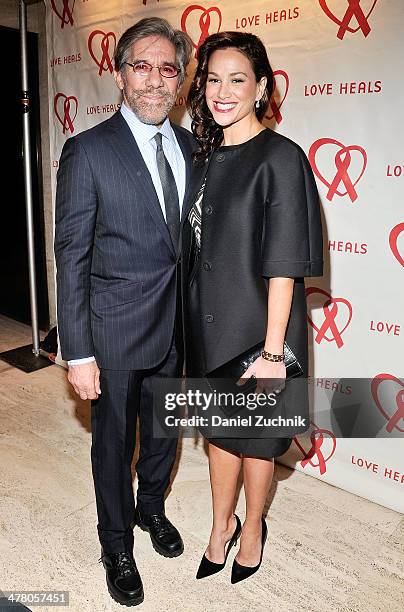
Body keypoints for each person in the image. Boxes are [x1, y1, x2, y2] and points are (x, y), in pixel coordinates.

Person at [54, 18, 194, 607]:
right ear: (119, 73)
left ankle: (151, 510)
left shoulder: (191, 146)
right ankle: (115, 543)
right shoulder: (88, 150)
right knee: (112, 445)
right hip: (111, 332)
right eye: (143, 65)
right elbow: (71, 255)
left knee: (163, 436)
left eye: (169, 69)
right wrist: (78, 350)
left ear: (181, 80)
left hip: (176, 327)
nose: (156, 80)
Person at [183, 31, 323, 584]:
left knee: (258, 444)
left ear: (261, 87)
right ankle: (220, 526)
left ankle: (254, 529)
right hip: (209, 326)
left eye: (237, 79)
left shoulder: (281, 158)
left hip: (262, 333)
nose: (222, 91)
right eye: (213, 79)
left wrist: (271, 355)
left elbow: (284, 266)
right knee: (220, 436)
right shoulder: (204, 156)